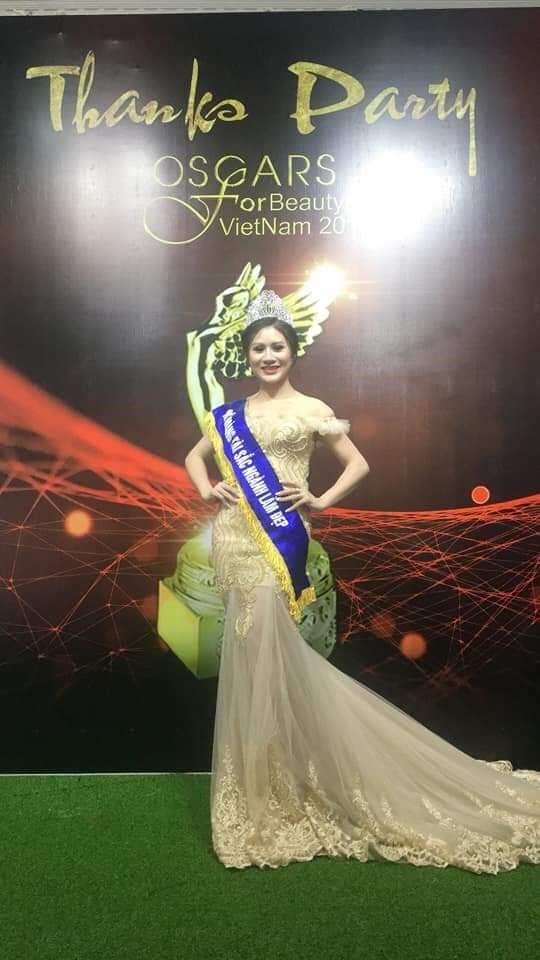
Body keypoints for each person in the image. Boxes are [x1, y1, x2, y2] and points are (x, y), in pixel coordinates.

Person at [184, 289, 540, 873]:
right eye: (259, 348)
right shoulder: (230, 413)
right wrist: (207, 487)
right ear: (246, 355)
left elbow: (359, 463)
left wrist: (319, 499)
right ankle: (258, 788)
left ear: (292, 351)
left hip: (279, 540)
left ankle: (285, 786)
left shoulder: (312, 407)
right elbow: (197, 457)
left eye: (277, 347)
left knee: (273, 652)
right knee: (249, 657)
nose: (268, 356)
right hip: (234, 540)